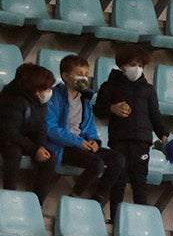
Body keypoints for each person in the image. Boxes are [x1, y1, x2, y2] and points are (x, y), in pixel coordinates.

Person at [94, 44, 173, 209]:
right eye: (132, 64)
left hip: (142, 141)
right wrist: (112, 108)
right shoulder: (109, 86)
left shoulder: (148, 90)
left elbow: (155, 115)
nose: (136, 68)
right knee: (119, 180)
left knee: (140, 181)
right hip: (119, 139)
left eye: (140, 65)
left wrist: (164, 135)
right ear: (122, 65)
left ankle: (142, 215)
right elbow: (98, 110)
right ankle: (116, 217)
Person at [46, 55, 125, 213]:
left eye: (86, 73)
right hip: (62, 146)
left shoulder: (85, 99)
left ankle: (98, 198)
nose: (84, 77)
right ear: (65, 76)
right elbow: (51, 128)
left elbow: (89, 126)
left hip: (82, 144)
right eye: (79, 73)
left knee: (118, 159)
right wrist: (77, 142)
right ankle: (74, 196)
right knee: (96, 164)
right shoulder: (54, 96)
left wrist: (94, 140)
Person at [0, 63, 57, 198]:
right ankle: (9, 196)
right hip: (6, 139)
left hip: (24, 140)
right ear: (35, 88)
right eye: (46, 88)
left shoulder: (39, 101)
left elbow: (41, 127)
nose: (49, 91)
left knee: (50, 157)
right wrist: (33, 149)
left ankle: (38, 201)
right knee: (14, 152)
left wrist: (41, 146)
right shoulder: (13, 100)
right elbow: (9, 132)